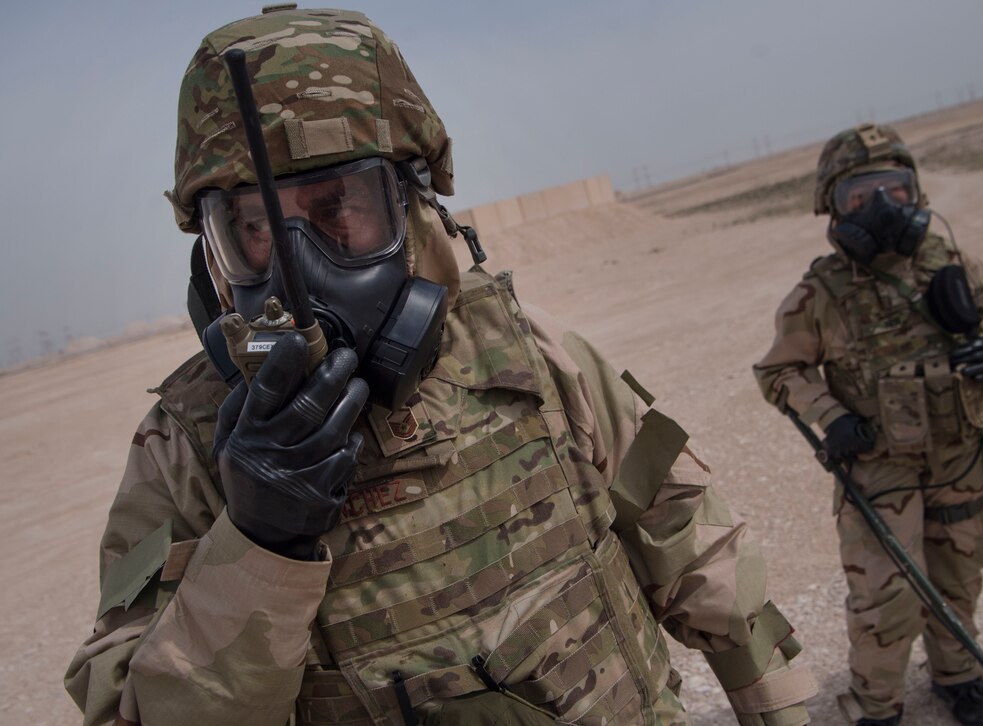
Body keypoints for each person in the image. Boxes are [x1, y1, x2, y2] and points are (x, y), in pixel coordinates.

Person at [64, 6, 817, 725]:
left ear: (417, 211)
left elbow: (695, 548)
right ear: (216, 260)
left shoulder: (531, 352)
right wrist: (258, 546)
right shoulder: (183, 453)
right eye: (256, 227)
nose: (300, 266)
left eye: (339, 209)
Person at [753, 123, 983, 726]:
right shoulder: (822, 292)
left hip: (959, 456)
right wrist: (831, 418)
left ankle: (959, 677)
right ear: (833, 205)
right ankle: (876, 708)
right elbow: (779, 371)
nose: (882, 208)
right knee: (886, 600)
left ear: (916, 191)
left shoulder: (950, 261)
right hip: (879, 466)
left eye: (895, 190)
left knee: (958, 574)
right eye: (861, 196)